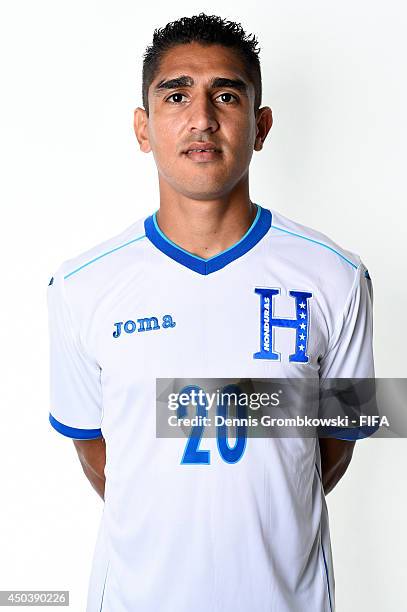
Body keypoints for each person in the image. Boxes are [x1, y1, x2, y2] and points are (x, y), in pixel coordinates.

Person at [47, 13, 374, 612]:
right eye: (177, 95)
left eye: (227, 94)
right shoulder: (80, 285)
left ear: (261, 126)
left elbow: (339, 439)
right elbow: (93, 447)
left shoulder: (339, 275)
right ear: (144, 128)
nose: (202, 117)